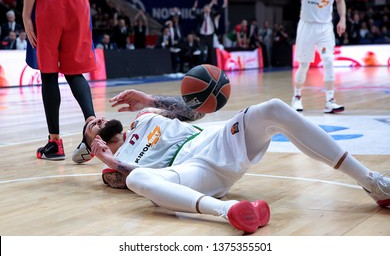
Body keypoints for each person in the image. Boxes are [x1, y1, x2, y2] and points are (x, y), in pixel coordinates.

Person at [83, 89, 389, 234]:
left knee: (273, 107)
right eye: (91, 125)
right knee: (138, 180)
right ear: (92, 142)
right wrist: (108, 161)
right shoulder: (112, 165)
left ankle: (372, 182)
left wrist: (150, 101)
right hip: (190, 173)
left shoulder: (144, 117)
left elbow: (195, 112)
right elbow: (132, 183)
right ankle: (233, 211)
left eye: (96, 116)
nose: (97, 118)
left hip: (212, 141)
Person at [23, 0, 96, 160]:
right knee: (74, 73)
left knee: (48, 74)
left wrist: (25, 15)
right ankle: (93, 126)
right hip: (79, 2)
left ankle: (55, 143)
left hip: (50, 2)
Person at [291, 0, 346, 113]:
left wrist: (343, 18)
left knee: (328, 60)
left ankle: (330, 101)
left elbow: (339, 0)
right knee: (304, 65)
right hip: (307, 25)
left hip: (325, 26)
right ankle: (297, 97)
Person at [191, 0, 228, 65]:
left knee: (210, 52)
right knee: (202, 52)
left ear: (210, 9)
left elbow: (219, 12)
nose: (207, 9)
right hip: (202, 35)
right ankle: (201, 66)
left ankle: (209, 66)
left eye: (208, 8)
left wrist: (224, 5)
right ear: (204, 9)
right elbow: (193, 13)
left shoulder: (212, 15)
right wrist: (194, 7)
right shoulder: (201, 15)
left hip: (210, 35)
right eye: (206, 8)